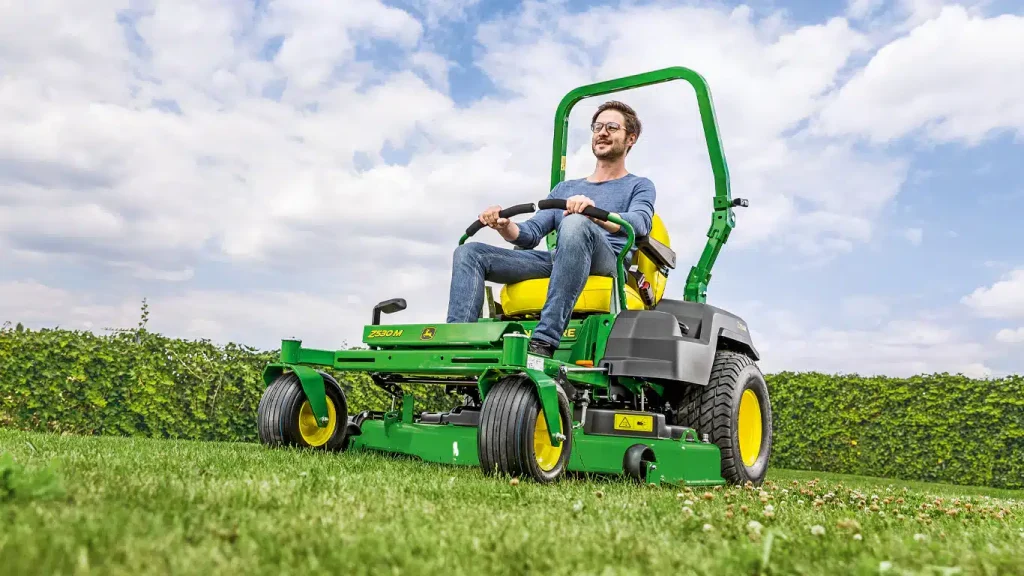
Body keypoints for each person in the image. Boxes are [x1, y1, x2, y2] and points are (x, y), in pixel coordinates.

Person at [446, 100, 656, 357]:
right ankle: (458, 344)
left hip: (607, 262)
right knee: (469, 253)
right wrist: (505, 225)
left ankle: (544, 340)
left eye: (612, 127)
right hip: (560, 259)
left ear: (630, 138)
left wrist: (596, 215)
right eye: (597, 126)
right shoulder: (565, 189)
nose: (602, 132)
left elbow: (640, 223)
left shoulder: (639, 185)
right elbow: (530, 235)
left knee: (576, 222)